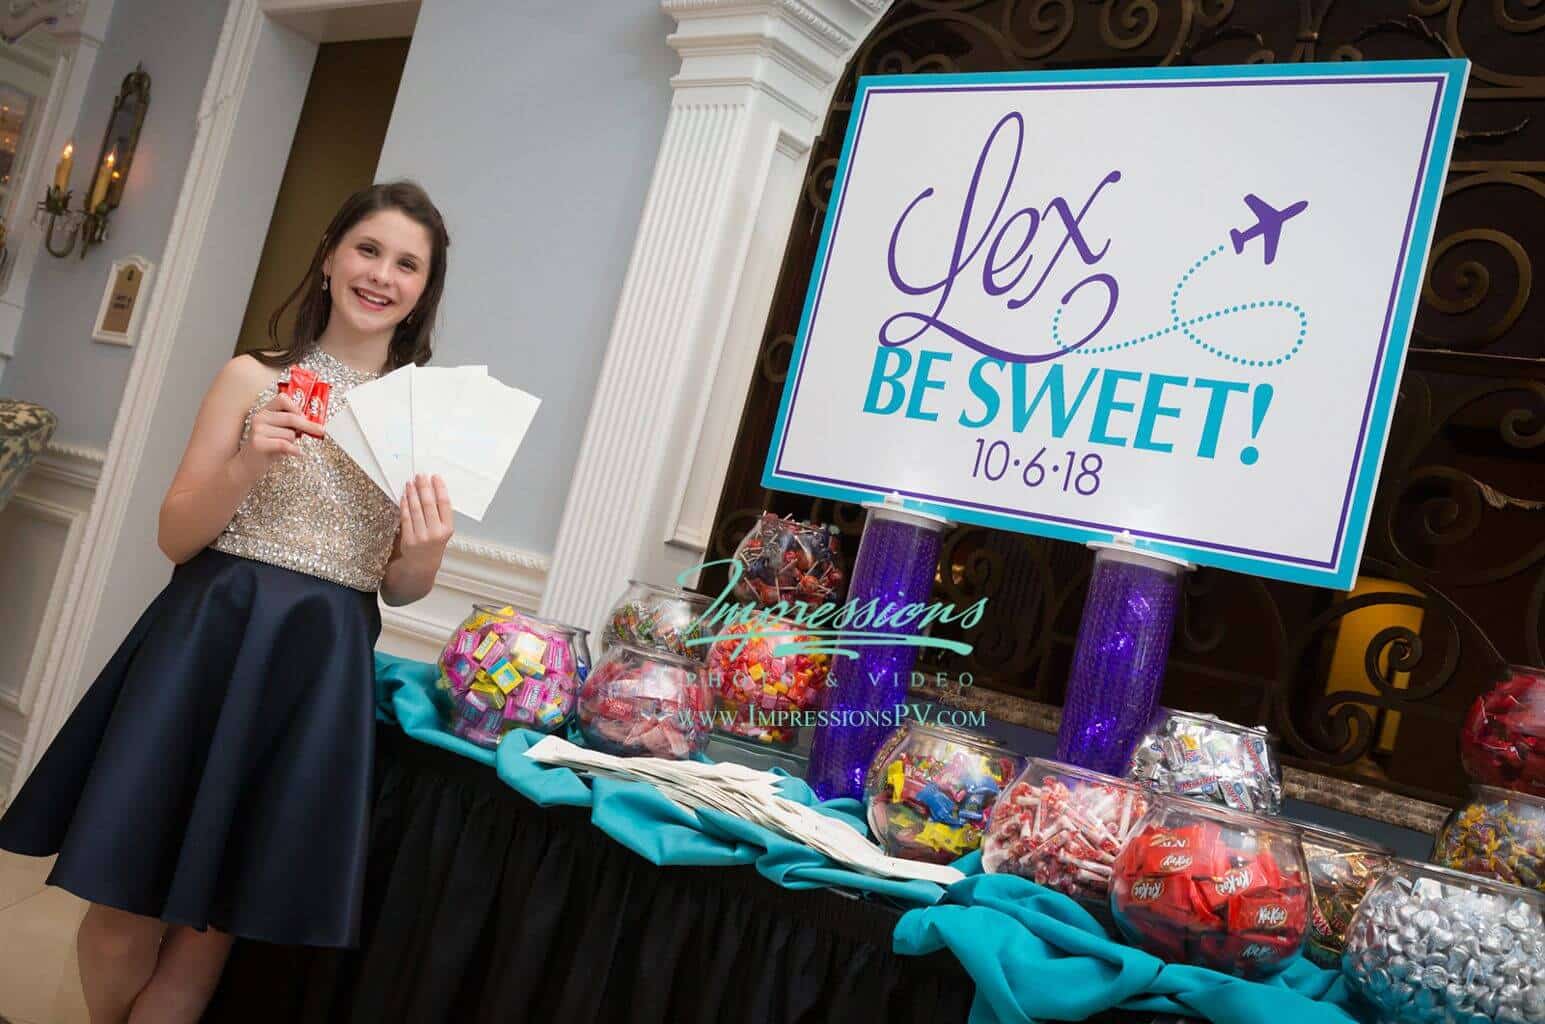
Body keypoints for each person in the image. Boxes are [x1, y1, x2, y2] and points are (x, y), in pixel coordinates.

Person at [0, 181, 455, 1023]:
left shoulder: (427, 418)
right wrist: (249, 461)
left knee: (211, 924)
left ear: (423, 290)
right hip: (209, 636)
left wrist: (424, 554)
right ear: (328, 256)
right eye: (368, 249)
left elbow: (398, 584)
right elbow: (175, 536)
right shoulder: (251, 376)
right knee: (116, 912)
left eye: (407, 264)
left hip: (318, 663)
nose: (381, 274)